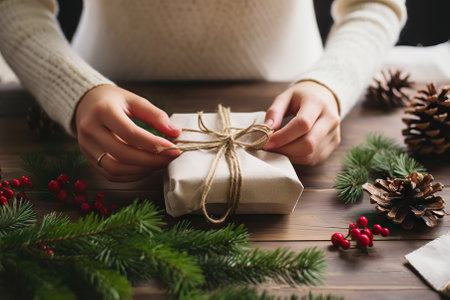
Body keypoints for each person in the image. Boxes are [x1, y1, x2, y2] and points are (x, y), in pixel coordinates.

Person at [0, 0, 406, 182]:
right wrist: (75, 89)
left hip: (286, 109)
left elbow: (374, 4)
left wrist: (331, 83)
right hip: (108, 108)